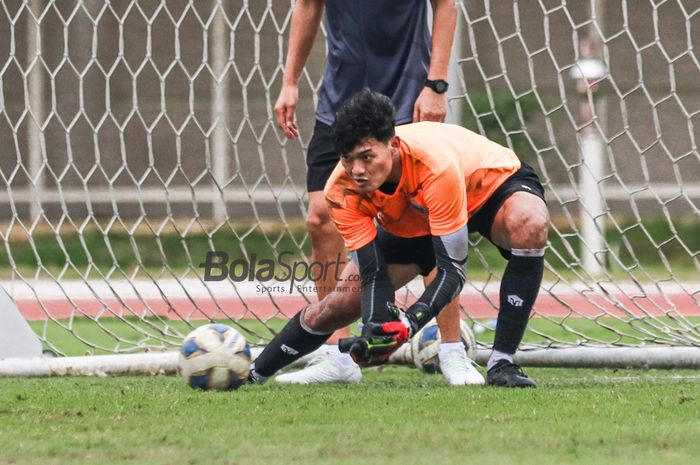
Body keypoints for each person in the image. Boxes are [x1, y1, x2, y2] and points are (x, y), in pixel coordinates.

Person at [250, 89, 549, 388]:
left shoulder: (434, 166)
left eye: (367, 157)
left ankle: (502, 362)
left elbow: (452, 271)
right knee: (337, 305)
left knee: (529, 222)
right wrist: (378, 328)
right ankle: (254, 373)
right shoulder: (341, 190)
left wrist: (408, 322)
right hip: (413, 219)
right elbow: (372, 271)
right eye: (347, 159)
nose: (357, 171)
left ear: (393, 145)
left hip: (488, 189)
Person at [272, 0, 472, 384]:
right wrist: (290, 82)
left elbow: (446, 5)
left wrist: (436, 85)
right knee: (320, 217)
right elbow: (307, 6)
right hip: (340, 110)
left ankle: (452, 351)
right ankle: (336, 354)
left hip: (406, 105)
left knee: (429, 222)